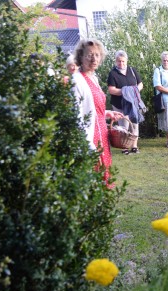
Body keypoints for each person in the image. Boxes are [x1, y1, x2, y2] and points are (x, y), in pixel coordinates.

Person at [71, 39, 124, 186]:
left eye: (97, 55)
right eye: (89, 55)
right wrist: (88, 145)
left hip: (102, 135)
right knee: (93, 180)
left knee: (103, 179)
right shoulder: (77, 80)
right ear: (80, 57)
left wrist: (107, 113)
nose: (94, 59)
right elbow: (76, 115)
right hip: (90, 138)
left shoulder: (93, 78)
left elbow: (92, 108)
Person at [107, 50, 143, 154]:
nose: (121, 63)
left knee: (135, 124)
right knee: (124, 126)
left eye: (123, 61)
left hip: (133, 103)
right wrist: (125, 92)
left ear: (126, 60)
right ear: (116, 61)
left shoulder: (132, 70)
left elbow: (140, 84)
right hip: (119, 104)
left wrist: (133, 91)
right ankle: (124, 147)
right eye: (119, 61)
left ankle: (134, 146)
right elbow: (111, 90)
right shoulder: (113, 73)